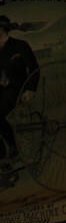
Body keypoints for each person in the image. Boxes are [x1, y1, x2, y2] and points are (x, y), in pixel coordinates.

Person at [0, 15, 38, 175]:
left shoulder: (20, 46)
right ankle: (3, 160)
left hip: (17, 89)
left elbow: (34, 68)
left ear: (3, 29)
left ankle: (13, 150)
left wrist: (31, 89)